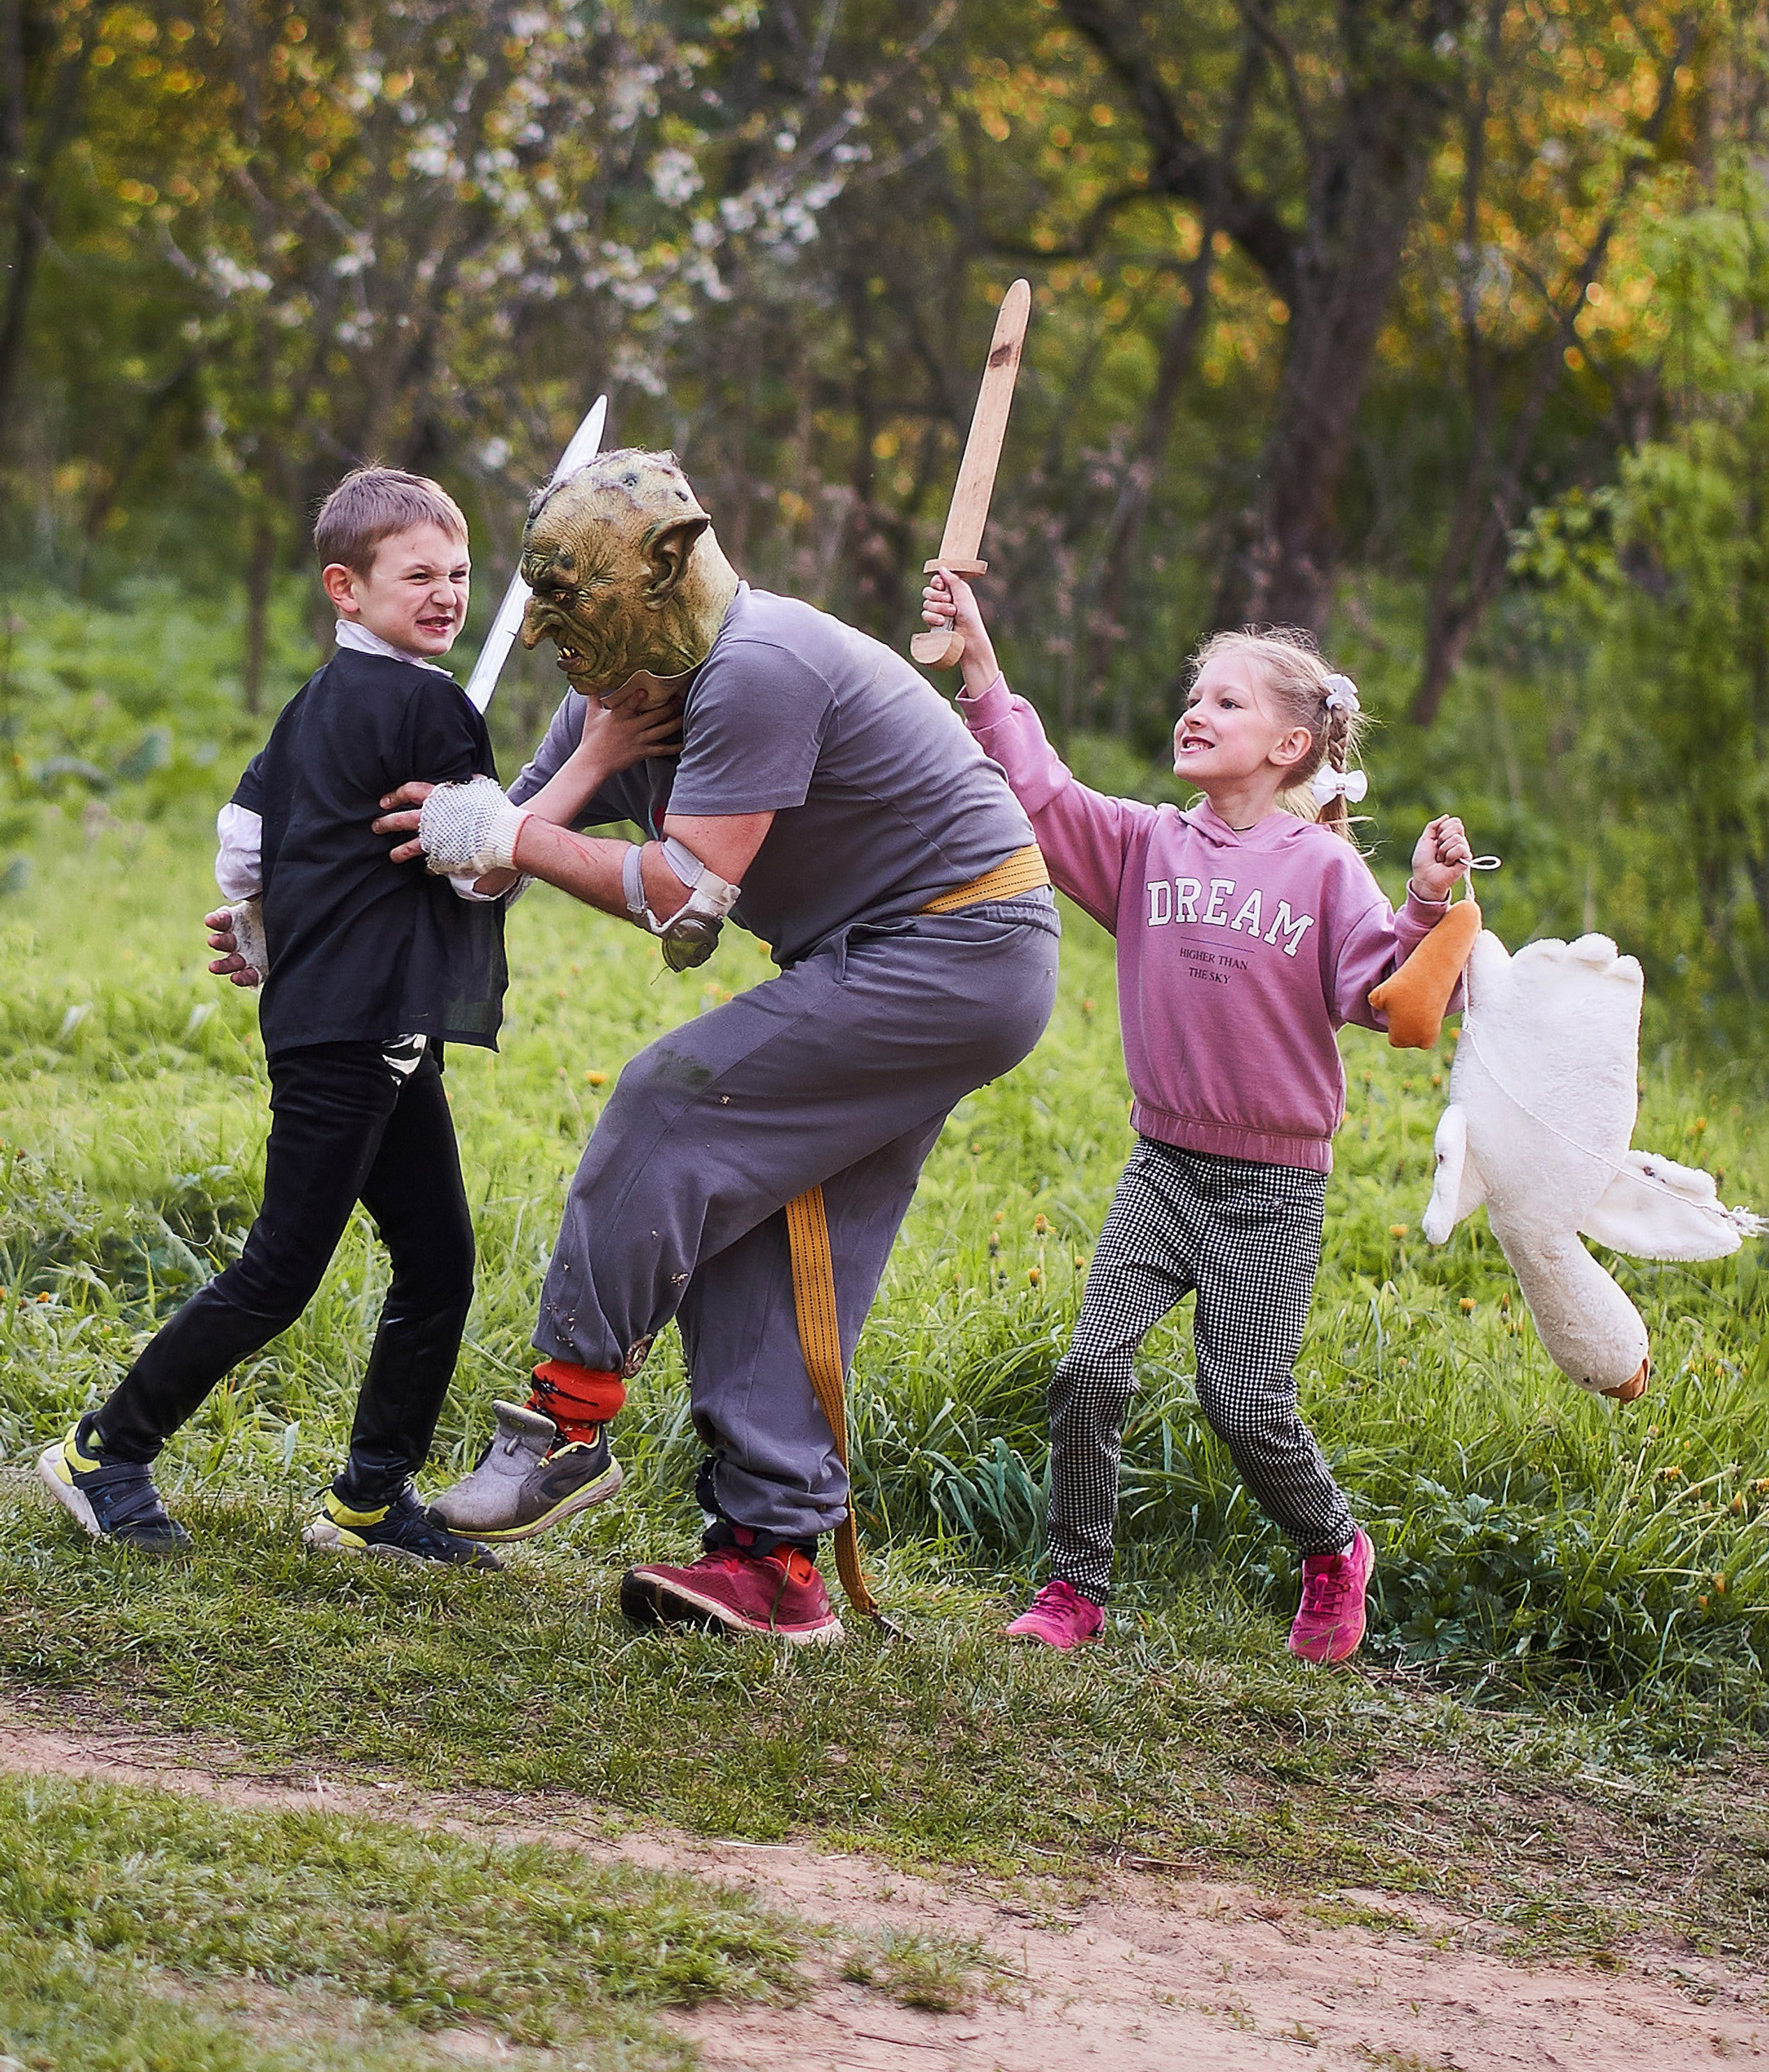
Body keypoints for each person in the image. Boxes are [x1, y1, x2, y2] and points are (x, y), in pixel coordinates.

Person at [378, 447, 1061, 1646]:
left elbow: (688, 910)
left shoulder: (757, 668)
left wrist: (504, 835)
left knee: (670, 1102)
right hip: (882, 956)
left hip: (958, 947)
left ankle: (564, 1426)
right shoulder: (616, 688)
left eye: (576, 607)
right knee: (775, 1233)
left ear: (664, 575)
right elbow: (498, 856)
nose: (555, 639)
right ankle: (772, 1562)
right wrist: (295, 922)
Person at [38, 467, 663, 1569]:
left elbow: (243, 838)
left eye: (461, 574)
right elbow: (482, 870)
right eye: (417, 574)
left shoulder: (315, 703)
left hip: (363, 1025)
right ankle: (103, 1453)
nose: (448, 594)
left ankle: (373, 1500)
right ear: (346, 585)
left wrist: (272, 930)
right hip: (355, 1033)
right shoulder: (430, 707)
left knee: (438, 1261)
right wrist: (600, 757)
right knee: (281, 1269)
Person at [923, 567, 1472, 1665]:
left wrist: (1423, 902)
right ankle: (1075, 1587)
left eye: (1228, 701)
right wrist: (980, 659)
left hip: (1274, 1188)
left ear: (1290, 746)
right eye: (1196, 693)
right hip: (1163, 1166)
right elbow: (1039, 788)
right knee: (1088, 1372)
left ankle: (1334, 1549)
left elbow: (1385, 998)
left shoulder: (1322, 869)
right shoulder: (1142, 846)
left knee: (1245, 1402)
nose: (1197, 710)